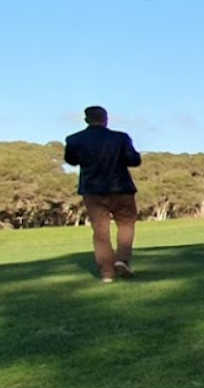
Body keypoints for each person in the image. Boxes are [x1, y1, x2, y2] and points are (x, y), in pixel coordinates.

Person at [64, 106, 143, 283]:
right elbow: (134, 160)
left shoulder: (74, 139)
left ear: (86, 120)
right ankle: (122, 259)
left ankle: (107, 273)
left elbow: (71, 160)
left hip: (92, 190)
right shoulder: (120, 138)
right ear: (106, 119)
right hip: (121, 188)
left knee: (100, 231)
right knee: (126, 225)